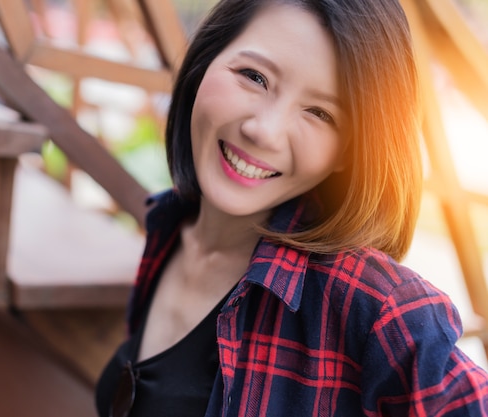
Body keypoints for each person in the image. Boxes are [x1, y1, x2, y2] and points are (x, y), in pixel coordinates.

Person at [96, 0, 488, 415]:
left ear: (349, 151)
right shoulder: (170, 226)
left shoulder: (373, 308)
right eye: (254, 76)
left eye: (320, 113)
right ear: (206, 61)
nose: (263, 131)